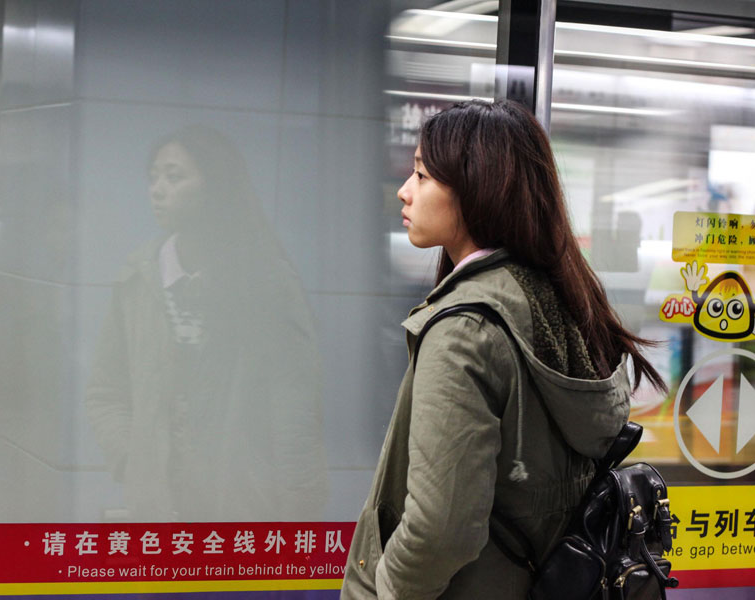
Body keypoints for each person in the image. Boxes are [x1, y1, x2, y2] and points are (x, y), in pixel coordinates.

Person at [340, 100, 666, 599]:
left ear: (475, 191)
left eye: (423, 176)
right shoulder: (560, 299)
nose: (405, 192)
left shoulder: (465, 329)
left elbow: (440, 529)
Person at [85, 125, 327, 522]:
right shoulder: (139, 278)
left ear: (215, 185)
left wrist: (298, 515)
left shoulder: (265, 280)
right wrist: (135, 460)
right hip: (160, 515)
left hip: (243, 514)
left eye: (174, 176)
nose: (157, 189)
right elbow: (105, 390)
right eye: (153, 177)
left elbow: (294, 412)